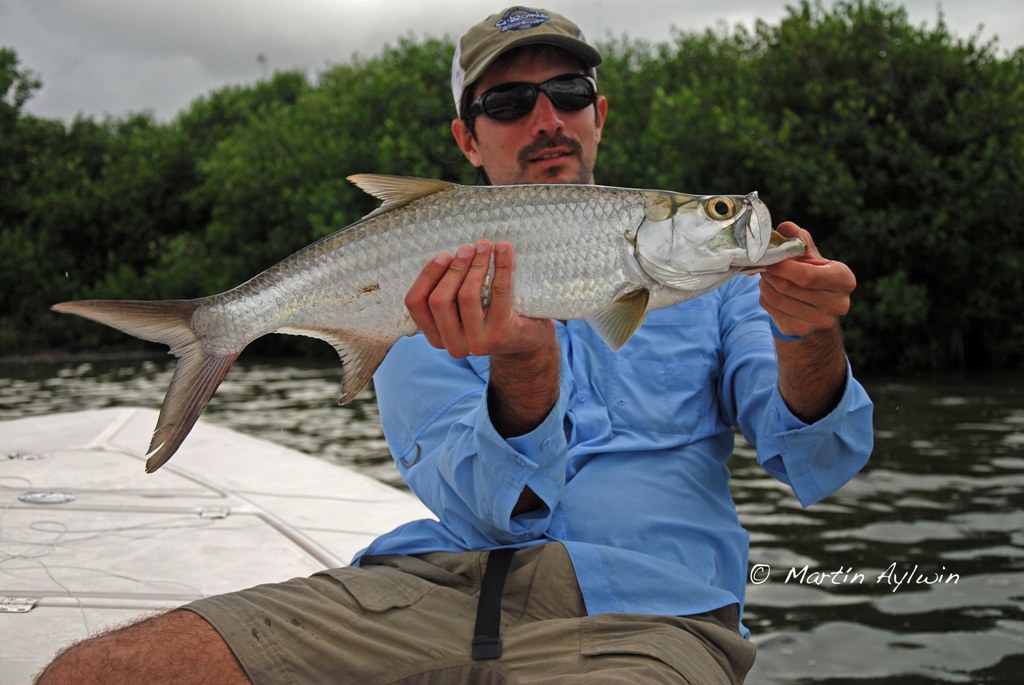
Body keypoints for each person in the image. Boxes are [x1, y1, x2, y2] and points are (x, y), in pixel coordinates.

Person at [36, 6, 873, 684]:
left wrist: (808, 332)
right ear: (467, 139)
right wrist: (525, 371)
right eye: (507, 104)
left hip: (651, 610)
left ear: (599, 113)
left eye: (569, 91)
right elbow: (475, 509)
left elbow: (819, 460)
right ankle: (211, 333)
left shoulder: (724, 289)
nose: (545, 119)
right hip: (439, 584)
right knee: (94, 671)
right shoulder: (426, 282)